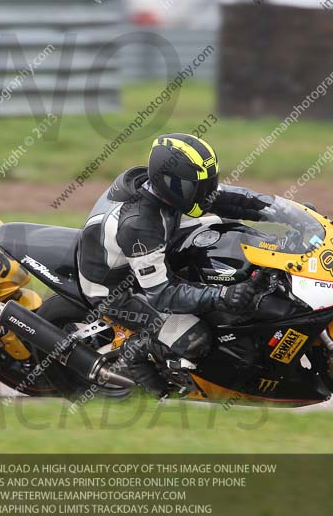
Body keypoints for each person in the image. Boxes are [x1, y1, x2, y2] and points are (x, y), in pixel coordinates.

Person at [78, 133, 273, 396]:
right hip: (114, 291)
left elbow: (229, 199)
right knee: (196, 339)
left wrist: (285, 211)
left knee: (226, 233)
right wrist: (222, 295)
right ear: (168, 182)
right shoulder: (140, 224)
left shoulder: (169, 190)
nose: (205, 193)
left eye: (206, 184)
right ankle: (134, 353)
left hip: (153, 246)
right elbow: (162, 294)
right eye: (197, 187)